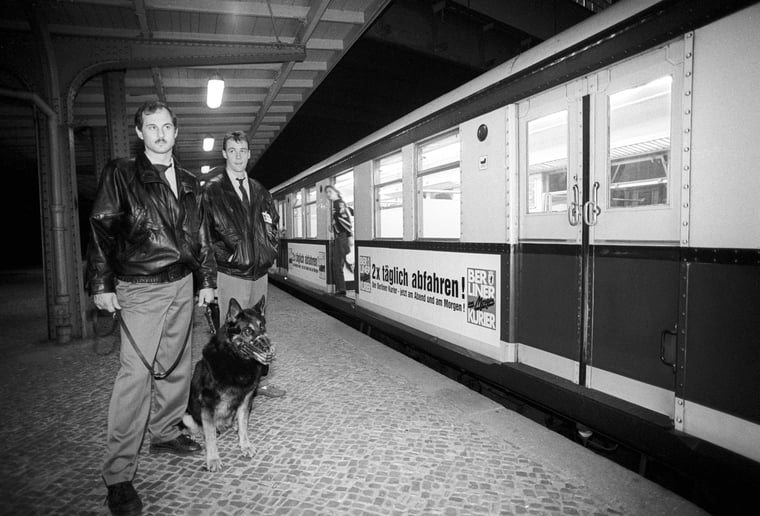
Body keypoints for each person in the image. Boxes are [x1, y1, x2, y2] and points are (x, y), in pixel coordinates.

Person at [86, 100, 216, 516]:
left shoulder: (192, 181)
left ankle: (164, 431)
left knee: (177, 365)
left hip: (181, 283)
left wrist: (207, 281)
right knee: (135, 376)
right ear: (140, 133)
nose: (160, 134)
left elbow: (199, 235)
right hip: (139, 286)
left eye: (167, 127)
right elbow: (102, 228)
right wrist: (101, 283)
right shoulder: (121, 173)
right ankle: (119, 475)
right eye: (151, 127)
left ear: (176, 133)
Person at [200, 130, 285, 398]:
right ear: (224, 154)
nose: (238, 156)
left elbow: (273, 226)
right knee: (232, 332)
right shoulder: (213, 190)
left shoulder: (260, 191)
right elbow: (202, 235)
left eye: (243, 151)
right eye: (232, 151)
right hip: (231, 272)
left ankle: (257, 382)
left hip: (259, 273)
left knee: (258, 328)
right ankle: (230, 385)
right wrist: (208, 280)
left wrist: (269, 252)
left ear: (249, 153)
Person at [325, 185, 353, 296]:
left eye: (330, 191)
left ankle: (341, 289)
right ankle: (341, 288)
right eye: (327, 192)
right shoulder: (337, 204)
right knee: (339, 262)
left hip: (342, 237)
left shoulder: (338, 204)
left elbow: (345, 220)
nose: (328, 194)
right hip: (341, 237)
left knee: (337, 263)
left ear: (336, 192)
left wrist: (349, 235)